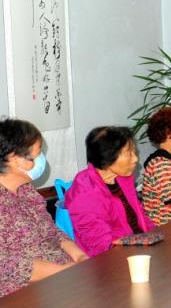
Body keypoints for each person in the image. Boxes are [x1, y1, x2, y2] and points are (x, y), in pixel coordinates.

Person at [0, 118, 86, 296]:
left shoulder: (27, 190)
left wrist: (80, 257)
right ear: (15, 159)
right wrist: (64, 272)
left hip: (63, 280)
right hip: (23, 294)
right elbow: (6, 264)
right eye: (38, 153)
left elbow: (52, 232)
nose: (42, 160)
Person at [64, 126, 157, 257]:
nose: (135, 159)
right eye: (129, 154)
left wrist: (155, 236)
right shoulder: (85, 195)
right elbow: (102, 246)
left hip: (140, 247)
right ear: (107, 158)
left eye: (134, 152)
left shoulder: (122, 179)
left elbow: (141, 216)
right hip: (114, 258)